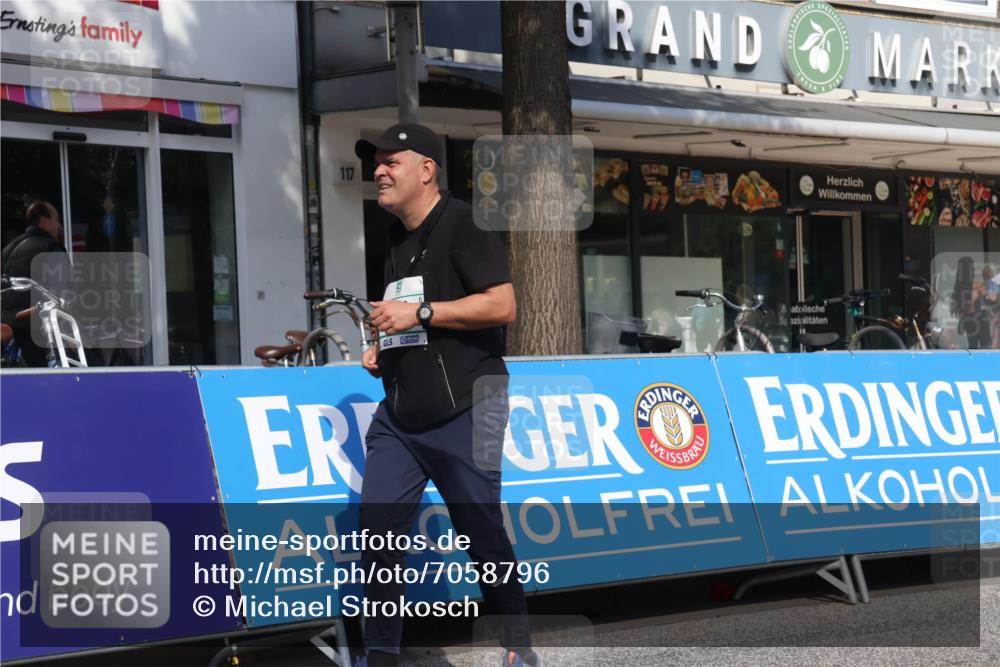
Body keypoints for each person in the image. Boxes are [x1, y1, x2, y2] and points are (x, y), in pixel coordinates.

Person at [353, 123, 536, 667]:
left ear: (427, 170)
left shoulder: (465, 224)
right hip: (403, 415)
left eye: (391, 162)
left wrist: (422, 313)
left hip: (471, 407)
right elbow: (409, 314)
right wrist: (385, 345)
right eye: (376, 162)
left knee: (481, 533)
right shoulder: (395, 235)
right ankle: (381, 656)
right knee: (379, 530)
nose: (379, 171)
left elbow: (502, 306)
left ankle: (516, 650)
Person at [0, 199, 70, 366]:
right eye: (56, 219)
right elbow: (62, 291)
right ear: (44, 221)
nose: (59, 226)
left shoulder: (8, 249)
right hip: (39, 327)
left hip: (10, 326)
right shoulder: (51, 248)